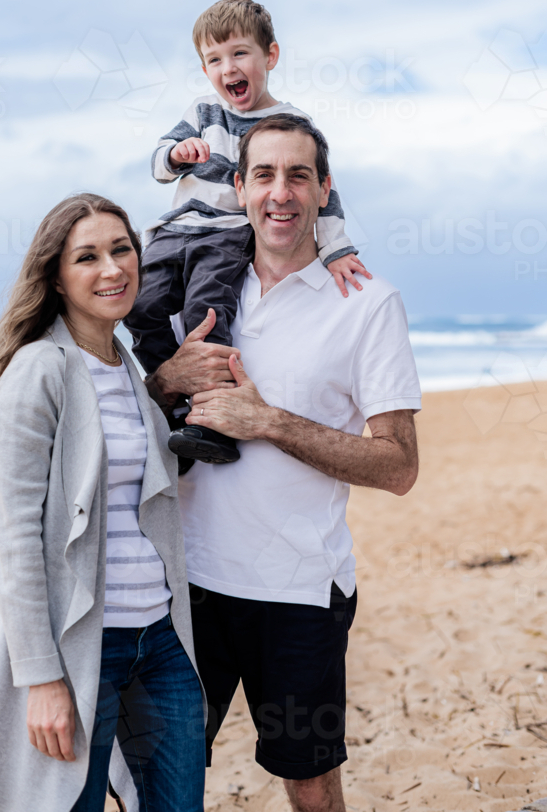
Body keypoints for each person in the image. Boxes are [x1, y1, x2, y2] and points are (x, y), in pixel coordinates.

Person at [145, 114, 422, 812]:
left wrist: (265, 421)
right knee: (159, 775)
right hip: (185, 591)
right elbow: (131, 416)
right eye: (263, 174)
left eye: (298, 175)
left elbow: (397, 466)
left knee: (308, 780)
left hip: (300, 593)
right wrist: (164, 381)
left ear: (322, 190)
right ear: (236, 188)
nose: (280, 192)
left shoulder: (367, 304)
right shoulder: (198, 293)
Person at [0, 193, 205, 812]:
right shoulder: (38, 370)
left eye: (122, 250)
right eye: (88, 257)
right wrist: (41, 678)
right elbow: (17, 542)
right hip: (83, 648)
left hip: (161, 638)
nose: (112, 269)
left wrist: (170, 385)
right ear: (56, 277)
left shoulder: (126, 365)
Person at [124, 0, 371, 467]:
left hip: (228, 235)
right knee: (142, 307)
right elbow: (157, 163)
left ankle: (209, 420)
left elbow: (323, 192)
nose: (227, 68)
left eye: (239, 54)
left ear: (269, 58)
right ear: (204, 70)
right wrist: (178, 155)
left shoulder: (291, 124)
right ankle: (174, 396)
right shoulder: (202, 111)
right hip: (178, 230)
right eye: (214, 60)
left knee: (207, 313)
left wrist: (336, 248)